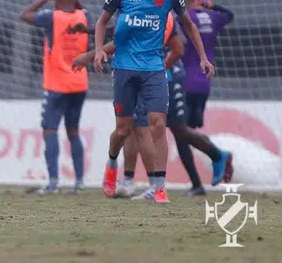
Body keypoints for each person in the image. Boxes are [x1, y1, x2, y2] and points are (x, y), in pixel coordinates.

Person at [94, 0, 214, 204]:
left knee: (158, 123)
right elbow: (102, 21)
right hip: (124, 68)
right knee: (122, 131)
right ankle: (112, 161)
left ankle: (159, 186)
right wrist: (97, 51)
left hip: (154, 68)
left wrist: (203, 57)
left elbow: (190, 27)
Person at [74, 10, 232, 198]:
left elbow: (178, 47)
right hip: (149, 76)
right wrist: (91, 31)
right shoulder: (142, 11)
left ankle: (213, 158)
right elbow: (121, 31)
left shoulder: (163, 13)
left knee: (168, 129)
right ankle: (132, 180)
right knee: (135, 127)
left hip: (168, 77)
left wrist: (156, 71)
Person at [20, 0, 90, 195]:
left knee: (50, 131)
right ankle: (79, 182)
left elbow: (25, 15)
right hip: (79, 83)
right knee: (74, 132)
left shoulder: (52, 17)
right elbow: (79, 7)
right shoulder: (85, 16)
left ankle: (53, 182)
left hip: (57, 84)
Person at [176, 0, 234, 131]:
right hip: (204, 83)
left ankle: (214, 154)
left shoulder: (183, 19)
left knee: (182, 130)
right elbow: (229, 15)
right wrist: (208, 4)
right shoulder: (212, 17)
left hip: (185, 82)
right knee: (192, 128)